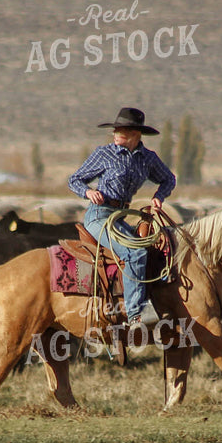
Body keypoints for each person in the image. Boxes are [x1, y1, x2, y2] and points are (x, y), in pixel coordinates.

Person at [67, 106, 177, 328]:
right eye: (115, 130)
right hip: (99, 215)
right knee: (135, 252)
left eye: (121, 130)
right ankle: (135, 315)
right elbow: (74, 180)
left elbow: (169, 179)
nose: (116, 133)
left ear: (135, 134)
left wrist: (159, 196)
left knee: (151, 250)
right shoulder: (103, 153)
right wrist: (88, 192)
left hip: (121, 216)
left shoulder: (148, 159)